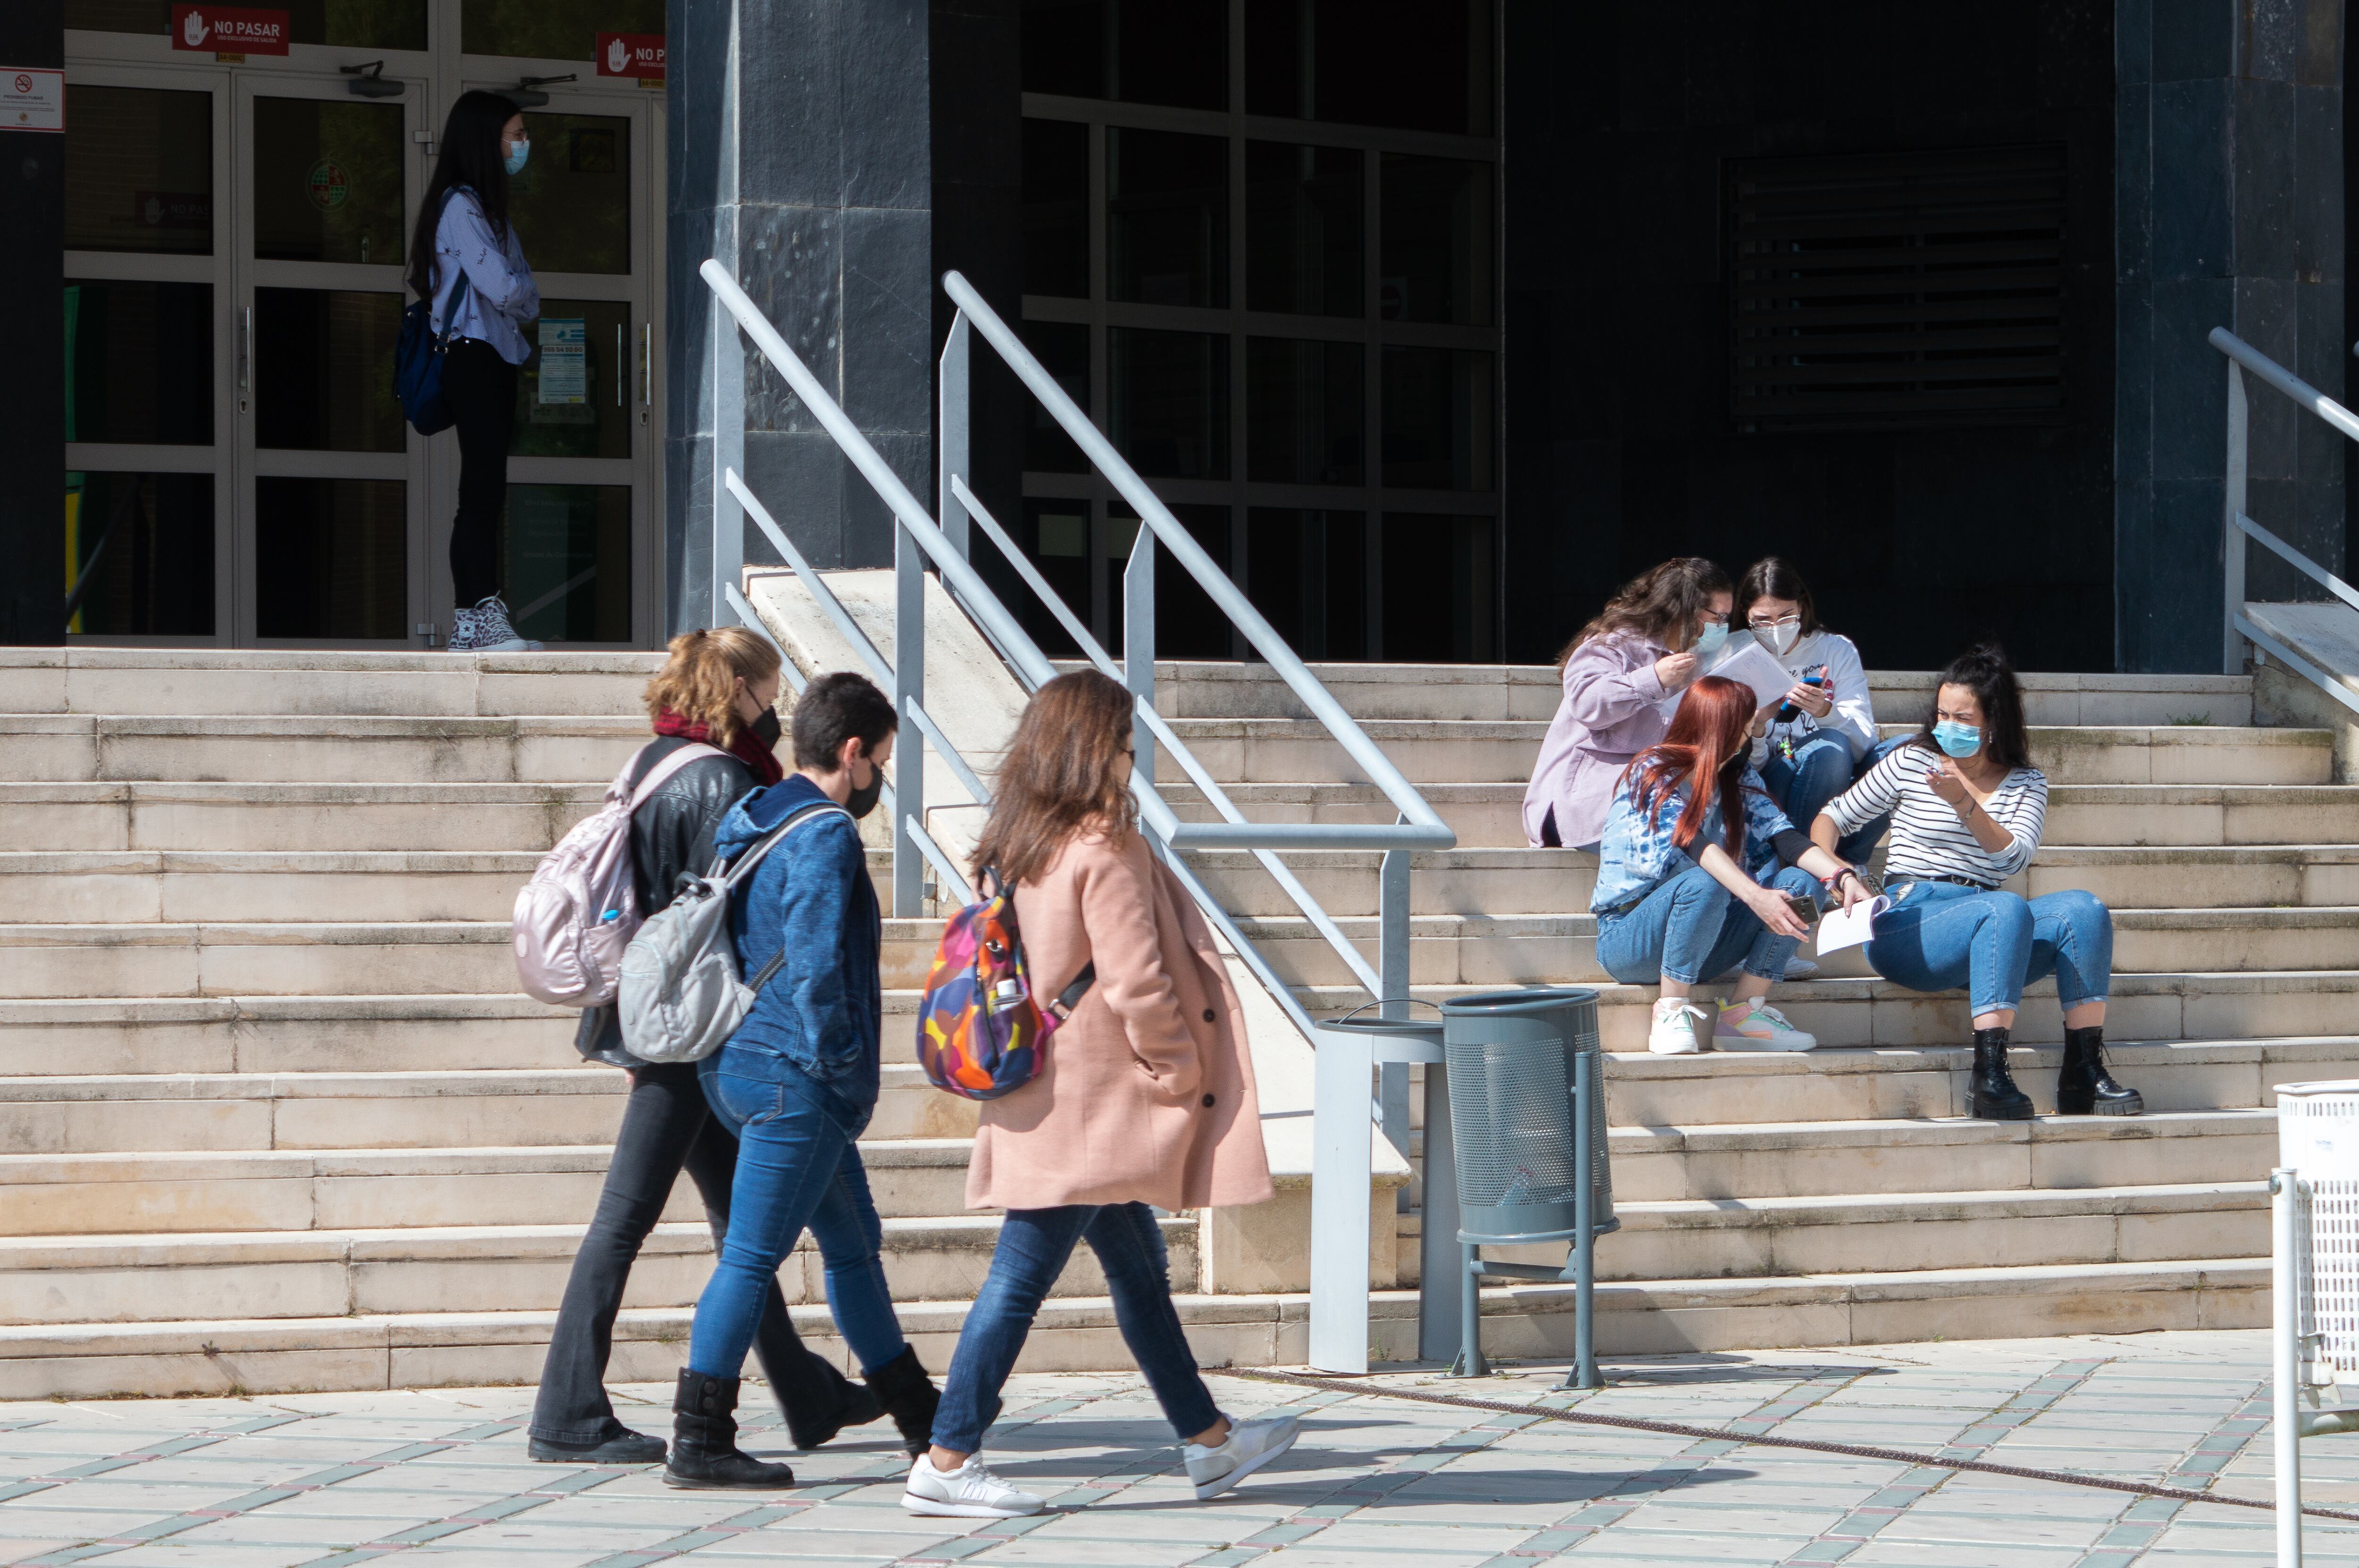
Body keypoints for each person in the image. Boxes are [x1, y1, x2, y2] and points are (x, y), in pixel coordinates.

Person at [902, 670, 1296, 1520]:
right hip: (1099, 1093)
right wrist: (1180, 1070)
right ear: (1093, 749)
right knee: (1020, 1275)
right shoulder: (1104, 843)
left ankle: (1209, 1437)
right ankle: (948, 1453)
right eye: (1124, 743)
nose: (1132, 759)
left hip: (1044, 1083)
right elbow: (1139, 979)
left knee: (1139, 1268)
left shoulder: (1018, 839)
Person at [529, 629, 884, 1464]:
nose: (777, 708)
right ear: (742, 688)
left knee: (741, 1227)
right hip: (696, 1030)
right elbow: (735, 912)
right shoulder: (722, 779)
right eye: (770, 690)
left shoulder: (659, 758)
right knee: (629, 1219)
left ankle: (806, 1391)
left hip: (667, 1018)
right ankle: (568, 1411)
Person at [666, 671, 937, 1490]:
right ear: (852, 751)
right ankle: (700, 1437)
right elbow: (817, 962)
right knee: (750, 1258)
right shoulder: (823, 832)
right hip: (795, 1073)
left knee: (854, 1245)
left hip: (738, 1060)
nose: (877, 779)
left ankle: (923, 1416)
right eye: (879, 760)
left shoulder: (755, 814)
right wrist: (838, 1057)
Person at [1812, 645, 2142, 1121]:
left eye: (1963, 718)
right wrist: (1836, 873)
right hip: (1910, 915)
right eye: (1942, 715)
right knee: (2004, 908)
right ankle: (1988, 1076)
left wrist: (1964, 803)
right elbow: (1830, 818)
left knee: (2082, 910)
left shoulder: (2026, 782)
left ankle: (2082, 1073)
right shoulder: (1911, 761)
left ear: (1994, 722)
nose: (1948, 727)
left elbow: (2012, 859)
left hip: (1987, 922)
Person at [1594, 676, 1871, 1056]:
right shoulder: (1654, 768)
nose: (1753, 734)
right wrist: (1757, 897)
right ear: (1722, 728)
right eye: (1747, 726)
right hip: (1632, 938)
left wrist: (1843, 875)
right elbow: (1692, 842)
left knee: (1805, 881)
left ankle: (1743, 1014)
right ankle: (1671, 1010)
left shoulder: (1736, 776)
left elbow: (1785, 837)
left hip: (1708, 938)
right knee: (1705, 882)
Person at [406, 90, 542, 653]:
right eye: (515, 134)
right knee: (480, 491)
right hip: (472, 354)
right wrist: (519, 291)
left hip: (494, 356)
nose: (523, 145)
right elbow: (511, 287)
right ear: (487, 140)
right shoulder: (461, 208)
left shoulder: (488, 212)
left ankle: (475, 621)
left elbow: (527, 297)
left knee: (487, 488)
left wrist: (520, 292)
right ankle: (478, 617)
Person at [1524, 558, 1732, 854]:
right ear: (1683, 609)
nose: (1721, 627)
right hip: (1585, 804)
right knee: (1697, 858)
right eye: (1716, 617)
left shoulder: (1700, 659)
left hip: (1658, 796)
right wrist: (1654, 679)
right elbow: (1586, 703)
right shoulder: (1615, 644)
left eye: (1727, 618)